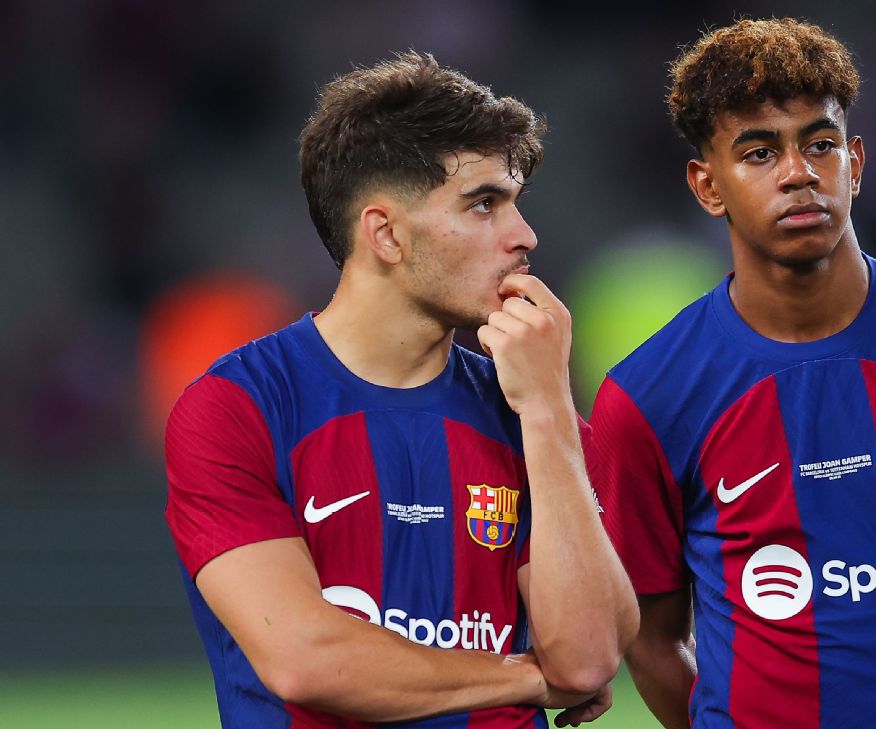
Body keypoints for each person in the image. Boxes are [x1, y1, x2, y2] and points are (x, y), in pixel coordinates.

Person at [589, 19, 876, 729]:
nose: (798, 173)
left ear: (857, 163)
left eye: (819, 144)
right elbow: (652, 640)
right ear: (707, 185)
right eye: (759, 152)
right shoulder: (645, 396)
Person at [165, 52, 637, 728]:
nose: (524, 236)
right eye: (483, 204)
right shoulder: (238, 408)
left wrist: (550, 412)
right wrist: (531, 676)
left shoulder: (532, 413)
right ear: (385, 234)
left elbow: (588, 659)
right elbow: (306, 658)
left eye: (515, 204)